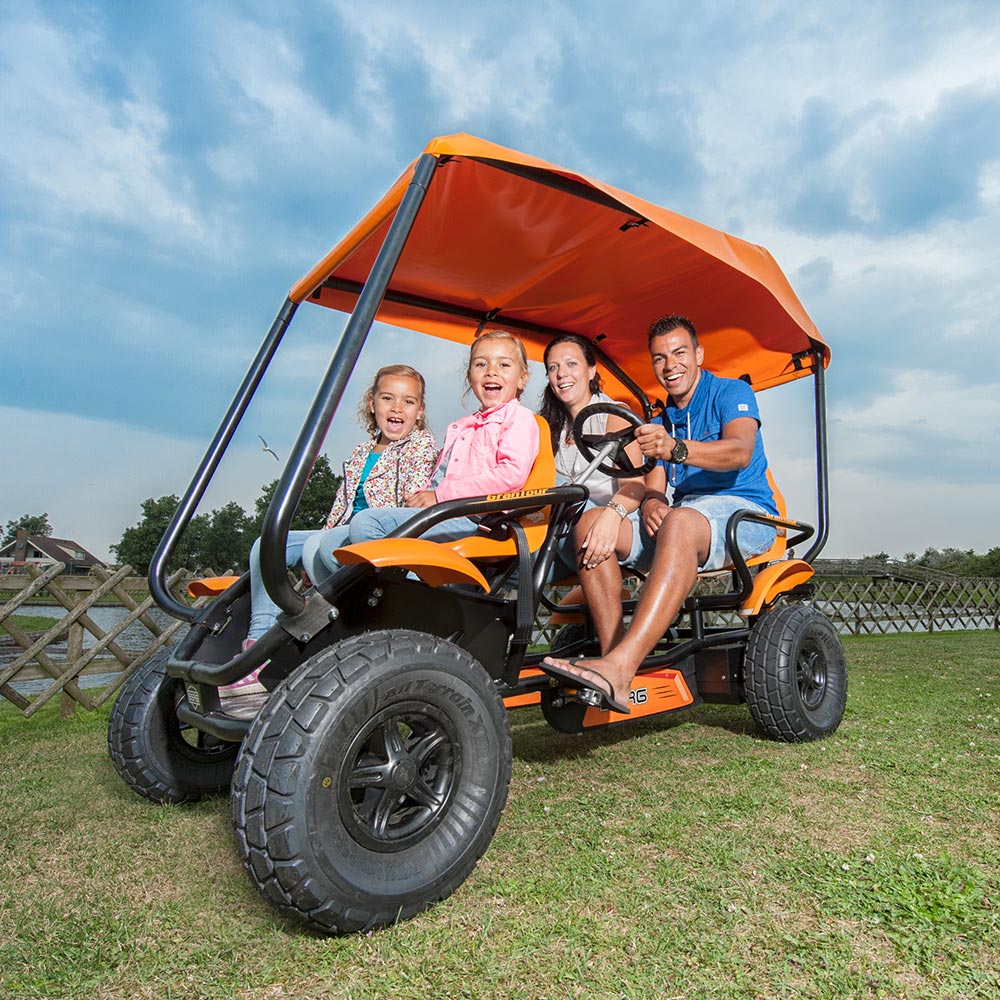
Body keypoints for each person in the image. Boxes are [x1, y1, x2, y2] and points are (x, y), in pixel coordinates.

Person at [541, 314, 778, 714]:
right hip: (685, 517)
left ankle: (619, 667)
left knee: (680, 521)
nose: (670, 366)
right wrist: (652, 502)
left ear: (699, 354)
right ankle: (613, 659)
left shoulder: (730, 392)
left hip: (743, 513)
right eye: (659, 358)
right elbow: (652, 483)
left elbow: (739, 450)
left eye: (679, 353)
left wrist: (676, 450)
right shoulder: (659, 418)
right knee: (589, 524)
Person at [224, 364, 438, 697]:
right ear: (372, 403)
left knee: (324, 545)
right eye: (387, 398)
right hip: (341, 533)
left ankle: (321, 628)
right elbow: (340, 507)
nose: (397, 408)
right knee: (268, 544)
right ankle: (257, 643)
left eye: (408, 402)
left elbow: (411, 501)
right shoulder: (360, 453)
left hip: (377, 537)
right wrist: (320, 542)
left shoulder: (420, 447)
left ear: (420, 411)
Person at [349, 329, 540, 546]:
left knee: (366, 524)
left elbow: (511, 475)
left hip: (475, 520)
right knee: (327, 545)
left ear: (522, 378)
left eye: (503, 365)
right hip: (443, 514)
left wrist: (440, 496)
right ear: (470, 377)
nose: (491, 372)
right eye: (481, 364)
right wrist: (422, 496)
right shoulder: (463, 427)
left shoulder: (519, 418)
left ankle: (415, 573)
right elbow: (440, 476)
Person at [539, 334, 648, 580]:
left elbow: (634, 486)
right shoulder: (549, 428)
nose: (561, 374)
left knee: (584, 523)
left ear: (591, 371)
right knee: (502, 553)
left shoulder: (614, 416)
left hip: (613, 521)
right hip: (562, 529)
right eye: (553, 368)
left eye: (571, 364)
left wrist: (611, 515)